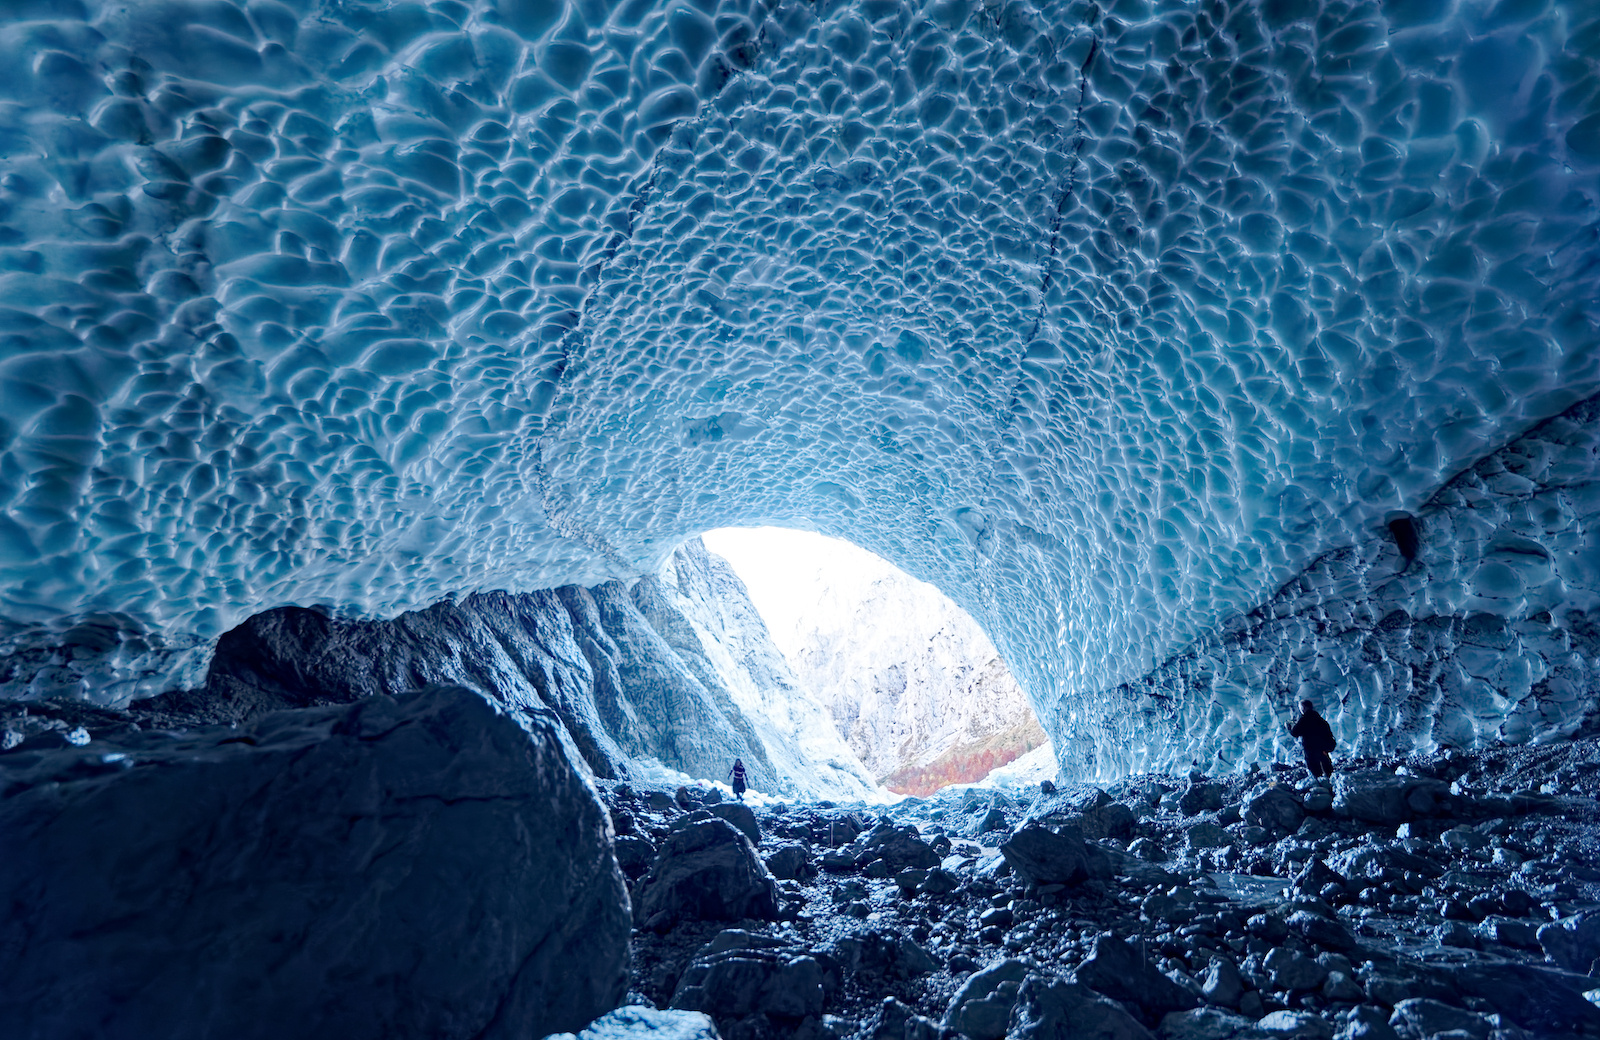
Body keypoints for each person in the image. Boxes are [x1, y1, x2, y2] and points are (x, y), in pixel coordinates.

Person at [1287, 699, 1336, 778]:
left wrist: (1289, 728)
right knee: (1328, 770)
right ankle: (1331, 786)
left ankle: (1321, 788)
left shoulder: (1304, 719)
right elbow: (1328, 734)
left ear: (1304, 708)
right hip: (1323, 749)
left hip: (1311, 750)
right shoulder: (1321, 720)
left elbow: (1295, 733)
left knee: (1315, 772)